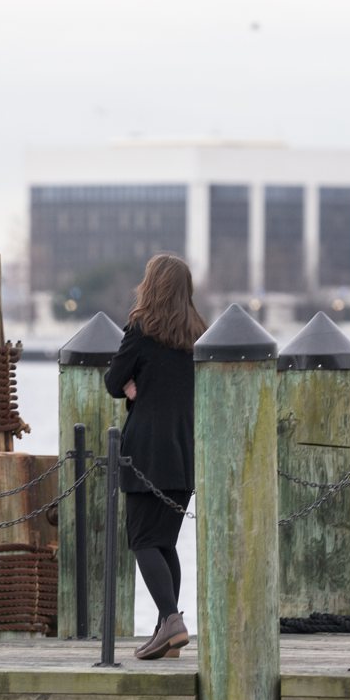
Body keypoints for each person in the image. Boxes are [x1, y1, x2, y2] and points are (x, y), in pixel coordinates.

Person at [104, 253, 207, 660]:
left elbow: (113, 381)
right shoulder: (199, 335)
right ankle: (168, 634)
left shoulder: (141, 329)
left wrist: (135, 387)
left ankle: (170, 619)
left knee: (144, 541)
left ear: (152, 285)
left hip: (145, 450)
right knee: (165, 543)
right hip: (185, 453)